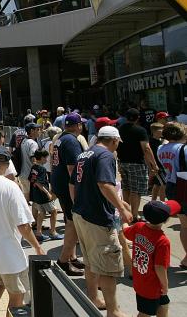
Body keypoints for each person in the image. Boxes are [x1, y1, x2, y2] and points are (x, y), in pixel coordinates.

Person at [0, 147, 45, 317]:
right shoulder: (10, 187)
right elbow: (23, 225)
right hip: (9, 256)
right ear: (8, 164)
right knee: (17, 296)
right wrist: (37, 247)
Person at [71, 126, 133, 316]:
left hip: (81, 213)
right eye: (117, 144)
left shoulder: (85, 154)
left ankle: (93, 298)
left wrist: (118, 201)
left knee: (91, 260)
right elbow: (104, 184)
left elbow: (74, 184)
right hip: (97, 217)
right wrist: (121, 209)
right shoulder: (106, 155)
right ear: (113, 140)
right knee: (107, 266)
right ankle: (113, 310)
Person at [123, 200, 179, 317]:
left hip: (141, 280)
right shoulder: (162, 241)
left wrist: (124, 219)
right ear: (166, 220)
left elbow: (126, 232)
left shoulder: (139, 227)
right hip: (152, 286)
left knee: (164, 304)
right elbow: (159, 267)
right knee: (144, 313)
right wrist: (165, 285)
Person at [50, 112, 86, 276]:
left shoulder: (60, 138)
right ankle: (63, 261)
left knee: (69, 222)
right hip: (67, 187)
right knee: (73, 224)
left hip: (59, 184)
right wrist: (78, 192)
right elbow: (73, 169)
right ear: (78, 125)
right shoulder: (71, 141)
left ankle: (71, 257)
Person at [118, 108, 159, 221]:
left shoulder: (120, 129)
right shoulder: (140, 130)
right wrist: (154, 164)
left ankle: (126, 212)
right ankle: (134, 216)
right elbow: (146, 148)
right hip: (137, 163)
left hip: (122, 162)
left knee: (126, 188)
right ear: (138, 118)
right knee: (136, 190)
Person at [156, 122, 187, 268]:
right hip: (184, 185)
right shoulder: (183, 149)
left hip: (172, 187)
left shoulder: (160, 148)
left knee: (184, 225)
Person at [29, 149, 63, 242]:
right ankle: (53, 232)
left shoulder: (34, 167)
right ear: (41, 158)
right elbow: (39, 182)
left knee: (42, 212)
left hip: (36, 194)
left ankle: (39, 233)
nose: (47, 160)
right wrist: (47, 192)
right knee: (54, 211)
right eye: (46, 157)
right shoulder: (42, 169)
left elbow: (32, 180)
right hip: (42, 195)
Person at [17, 123, 42, 201]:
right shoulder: (33, 143)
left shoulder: (24, 140)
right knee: (33, 199)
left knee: (27, 198)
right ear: (32, 131)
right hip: (30, 176)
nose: (40, 131)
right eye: (37, 129)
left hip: (23, 174)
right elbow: (34, 160)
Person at [149, 123, 167, 201]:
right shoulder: (151, 142)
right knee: (163, 184)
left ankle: (153, 201)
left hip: (162, 165)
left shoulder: (160, 141)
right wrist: (152, 166)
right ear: (154, 131)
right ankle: (163, 202)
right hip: (157, 166)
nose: (163, 131)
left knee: (157, 184)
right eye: (161, 130)